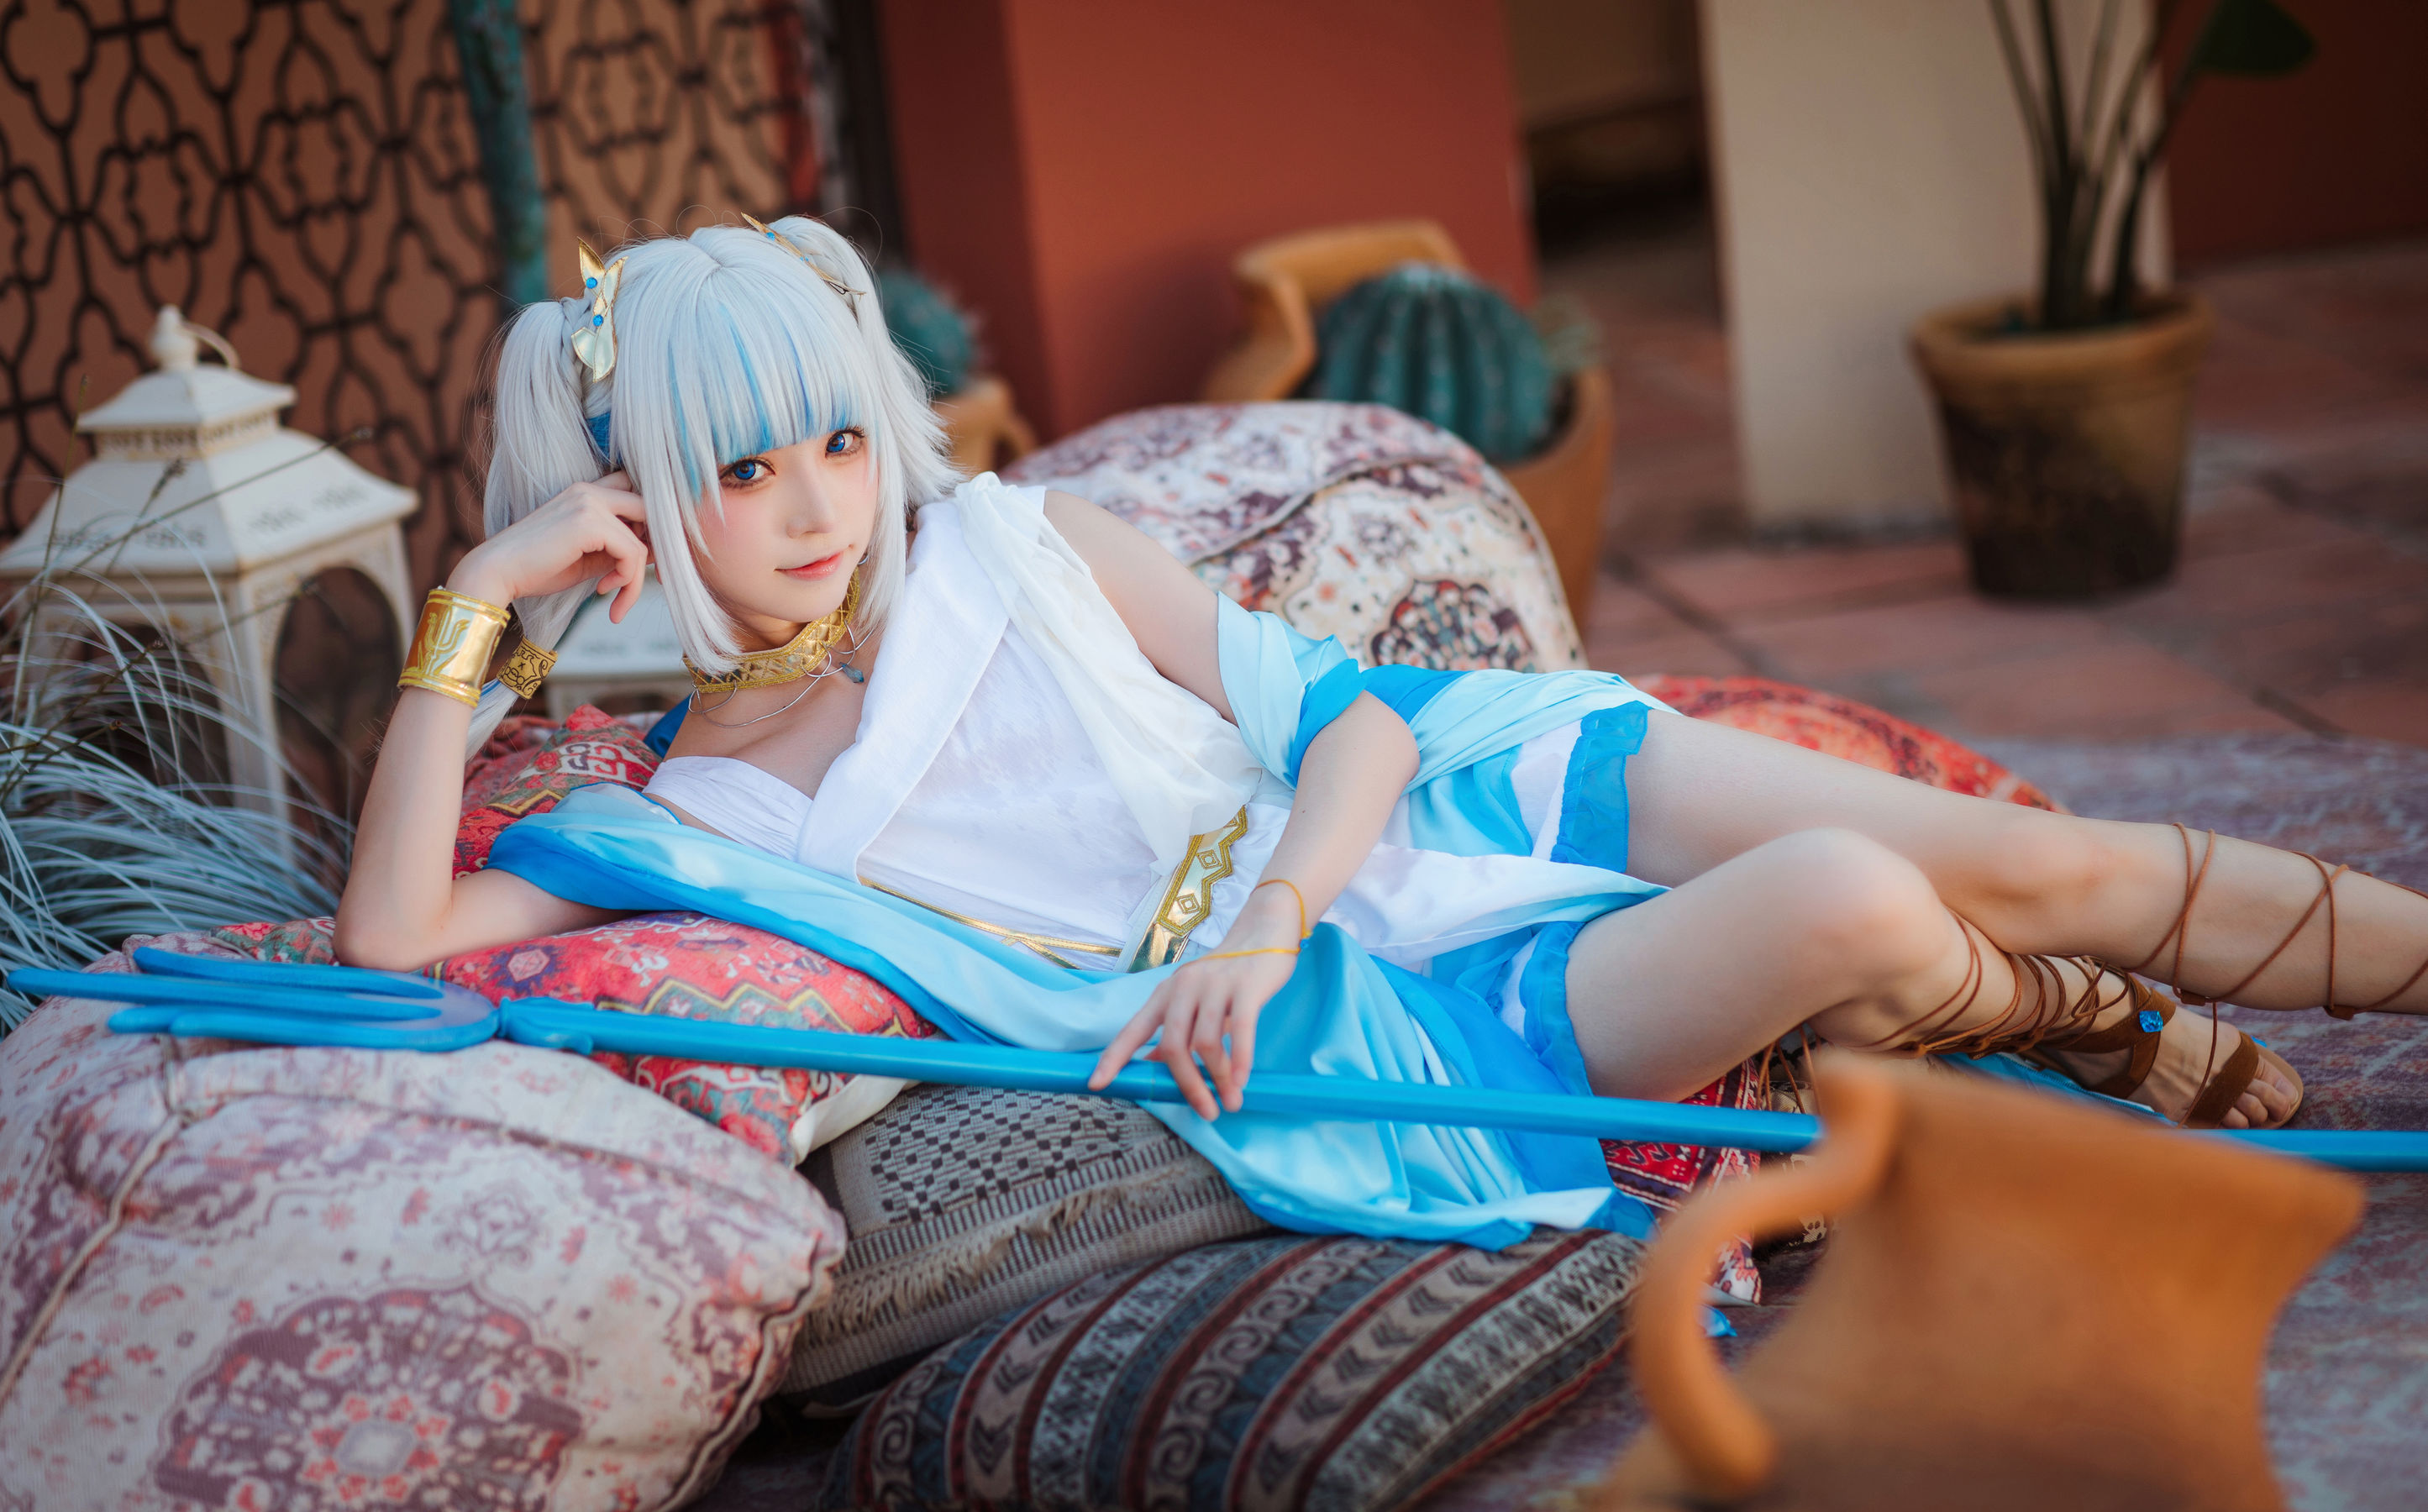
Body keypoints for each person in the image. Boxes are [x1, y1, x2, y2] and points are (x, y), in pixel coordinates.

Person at [336, 218, 2427, 1246]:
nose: (813, 508)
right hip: (1402, 1011)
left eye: (832, 441)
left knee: (2043, 854)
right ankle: (2084, 1023)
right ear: (628, 500)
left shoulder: (1017, 544)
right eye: (737, 471)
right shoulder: (707, 816)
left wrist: (1254, 917)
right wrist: (474, 608)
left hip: (1441, 783)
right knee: (1851, 903)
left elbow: (1345, 725)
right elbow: (390, 948)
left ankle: (2188, 987)